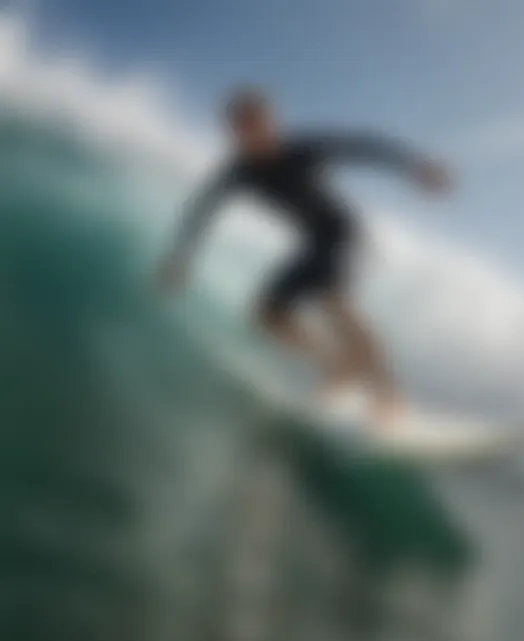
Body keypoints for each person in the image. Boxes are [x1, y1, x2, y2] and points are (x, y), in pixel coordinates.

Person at [156, 88, 452, 424]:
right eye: (246, 127)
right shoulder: (239, 172)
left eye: (264, 123)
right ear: (236, 132)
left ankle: (388, 395)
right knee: (267, 315)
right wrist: (182, 258)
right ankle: (338, 363)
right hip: (312, 243)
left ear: (273, 123)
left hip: (342, 233)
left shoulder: (303, 150)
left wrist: (416, 166)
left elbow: (364, 146)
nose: (259, 133)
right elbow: (203, 208)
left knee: (333, 303)